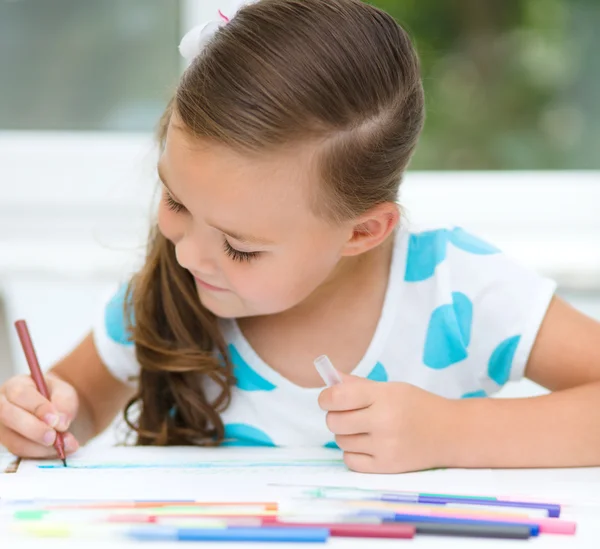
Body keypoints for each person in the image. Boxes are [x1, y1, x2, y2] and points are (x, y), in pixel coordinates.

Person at [1, 0, 599, 474]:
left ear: (363, 231)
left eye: (240, 246)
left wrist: (447, 432)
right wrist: (40, 418)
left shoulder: (456, 290)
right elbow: (73, 407)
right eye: (177, 201)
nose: (187, 253)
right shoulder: (163, 300)